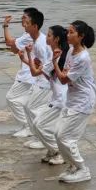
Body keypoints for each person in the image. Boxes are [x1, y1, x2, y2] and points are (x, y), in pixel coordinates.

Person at [52, 20, 96, 183]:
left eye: (71, 32)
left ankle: (82, 169)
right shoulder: (71, 50)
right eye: (68, 31)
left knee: (66, 137)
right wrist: (61, 70)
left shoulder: (83, 57)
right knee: (58, 133)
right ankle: (72, 166)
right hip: (72, 99)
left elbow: (63, 79)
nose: (68, 35)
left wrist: (54, 62)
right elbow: (64, 74)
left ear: (81, 36)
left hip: (83, 101)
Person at [27, 24, 68, 165]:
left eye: (50, 35)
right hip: (56, 98)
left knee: (41, 124)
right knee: (38, 123)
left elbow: (34, 72)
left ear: (56, 39)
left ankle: (59, 152)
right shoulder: (57, 54)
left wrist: (28, 55)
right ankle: (52, 150)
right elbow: (46, 74)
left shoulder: (58, 55)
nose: (47, 37)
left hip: (61, 100)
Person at [2, 8, 47, 138]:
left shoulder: (30, 37)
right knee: (28, 104)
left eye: (25, 19)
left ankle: (29, 127)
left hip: (29, 75)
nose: (22, 20)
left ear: (34, 24)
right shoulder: (29, 36)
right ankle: (32, 128)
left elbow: (10, 44)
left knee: (12, 98)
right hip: (30, 73)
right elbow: (15, 49)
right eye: (22, 18)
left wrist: (5, 26)